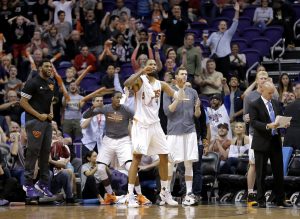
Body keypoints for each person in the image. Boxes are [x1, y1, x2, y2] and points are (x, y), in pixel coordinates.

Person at [124, 59, 186, 207]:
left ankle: (165, 193)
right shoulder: (140, 81)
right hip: (141, 125)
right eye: (149, 64)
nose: (152, 66)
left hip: (155, 125)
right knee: (136, 158)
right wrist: (141, 70)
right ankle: (130, 195)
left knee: (165, 157)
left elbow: (177, 97)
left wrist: (181, 88)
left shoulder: (161, 84)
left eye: (153, 64)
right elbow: (127, 83)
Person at [83, 91, 151, 206]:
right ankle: (110, 195)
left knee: (131, 167)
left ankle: (139, 195)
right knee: (100, 169)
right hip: (108, 140)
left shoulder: (126, 109)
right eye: (117, 97)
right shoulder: (105, 108)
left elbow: (139, 118)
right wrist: (93, 107)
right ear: (112, 98)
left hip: (123, 140)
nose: (119, 99)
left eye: (120, 98)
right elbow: (85, 116)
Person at [249, 81, 291, 208]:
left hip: (275, 141)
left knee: (279, 172)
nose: (271, 95)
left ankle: (280, 199)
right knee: (261, 173)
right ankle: (261, 200)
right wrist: (267, 125)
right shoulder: (254, 104)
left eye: (273, 93)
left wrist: (284, 124)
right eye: (269, 93)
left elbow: (279, 118)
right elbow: (254, 123)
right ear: (262, 90)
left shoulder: (276, 103)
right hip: (261, 142)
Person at [163, 67, 201, 206]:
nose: (184, 76)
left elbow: (197, 115)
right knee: (171, 163)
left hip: (190, 130)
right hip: (174, 131)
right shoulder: (168, 91)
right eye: (182, 74)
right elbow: (168, 112)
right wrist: (178, 97)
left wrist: (197, 108)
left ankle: (189, 193)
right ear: (176, 77)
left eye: (186, 74)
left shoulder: (193, 92)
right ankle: (166, 192)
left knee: (188, 162)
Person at [20, 59, 54, 198]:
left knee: (46, 153)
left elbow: (50, 101)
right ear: (40, 68)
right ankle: (27, 184)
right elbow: (23, 102)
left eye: (50, 66)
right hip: (34, 121)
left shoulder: (51, 83)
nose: (49, 68)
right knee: (33, 152)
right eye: (46, 66)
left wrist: (50, 113)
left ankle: (43, 184)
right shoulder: (32, 82)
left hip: (46, 122)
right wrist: (38, 115)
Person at [203, 2, 240, 79]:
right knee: (215, 77)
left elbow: (235, 22)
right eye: (221, 25)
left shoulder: (228, 34)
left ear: (226, 27)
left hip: (224, 58)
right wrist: (204, 39)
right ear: (218, 26)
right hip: (214, 58)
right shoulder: (213, 34)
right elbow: (206, 45)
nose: (223, 26)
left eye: (224, 25)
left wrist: (237, 11)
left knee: (224, 77)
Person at [284, 82, 300, 150]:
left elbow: (285, 124)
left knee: (288, 160)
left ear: (295, 93)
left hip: (289, 138)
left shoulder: (288, 107)